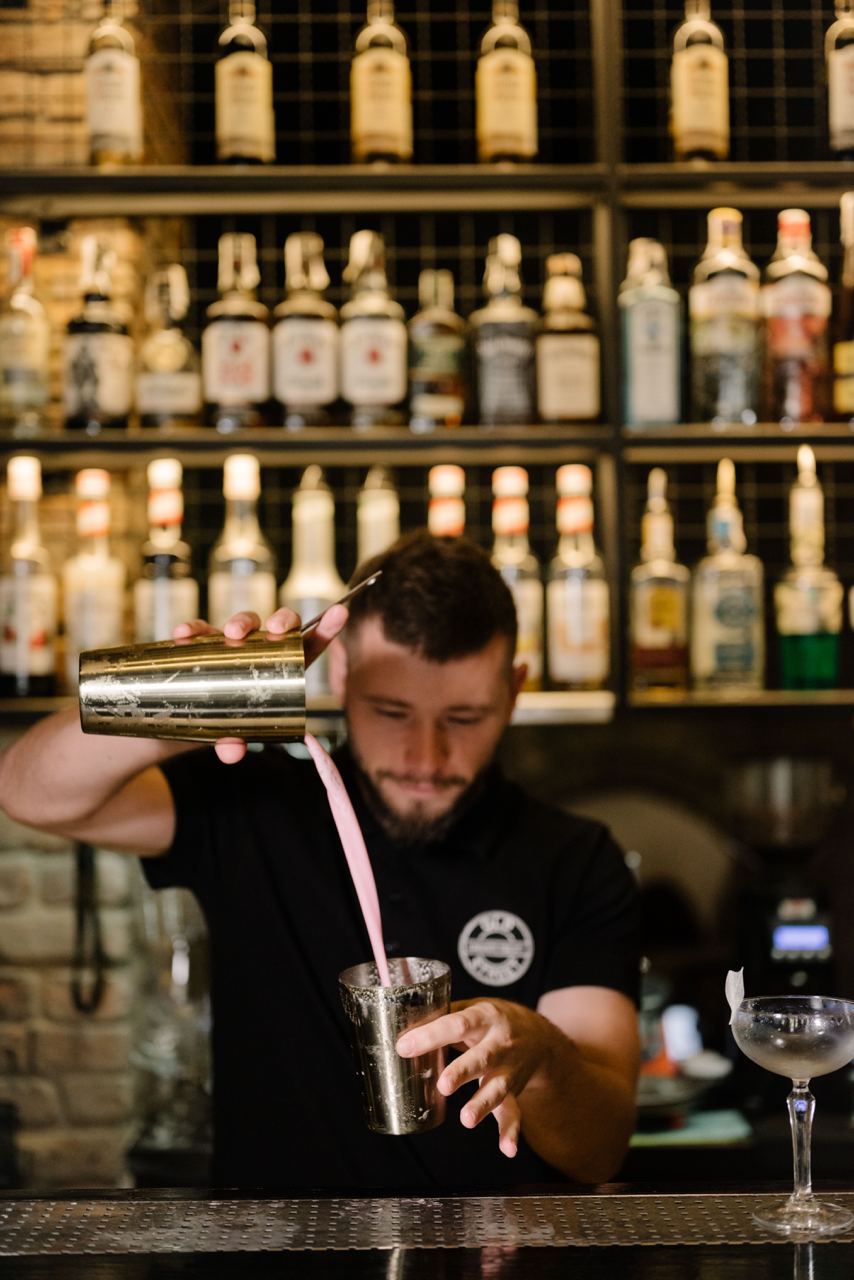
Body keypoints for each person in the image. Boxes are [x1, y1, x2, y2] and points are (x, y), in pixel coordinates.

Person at [0, 530, 640, 1191]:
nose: (425, 756)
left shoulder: (574, 859)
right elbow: (27, 790)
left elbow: (599, 1151)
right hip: (275, 1255)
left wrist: (541, 1057)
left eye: (465, 717)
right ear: (340, 675)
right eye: (391, 711)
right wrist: (187, 688)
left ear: (513, 691)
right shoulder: (253, 806)